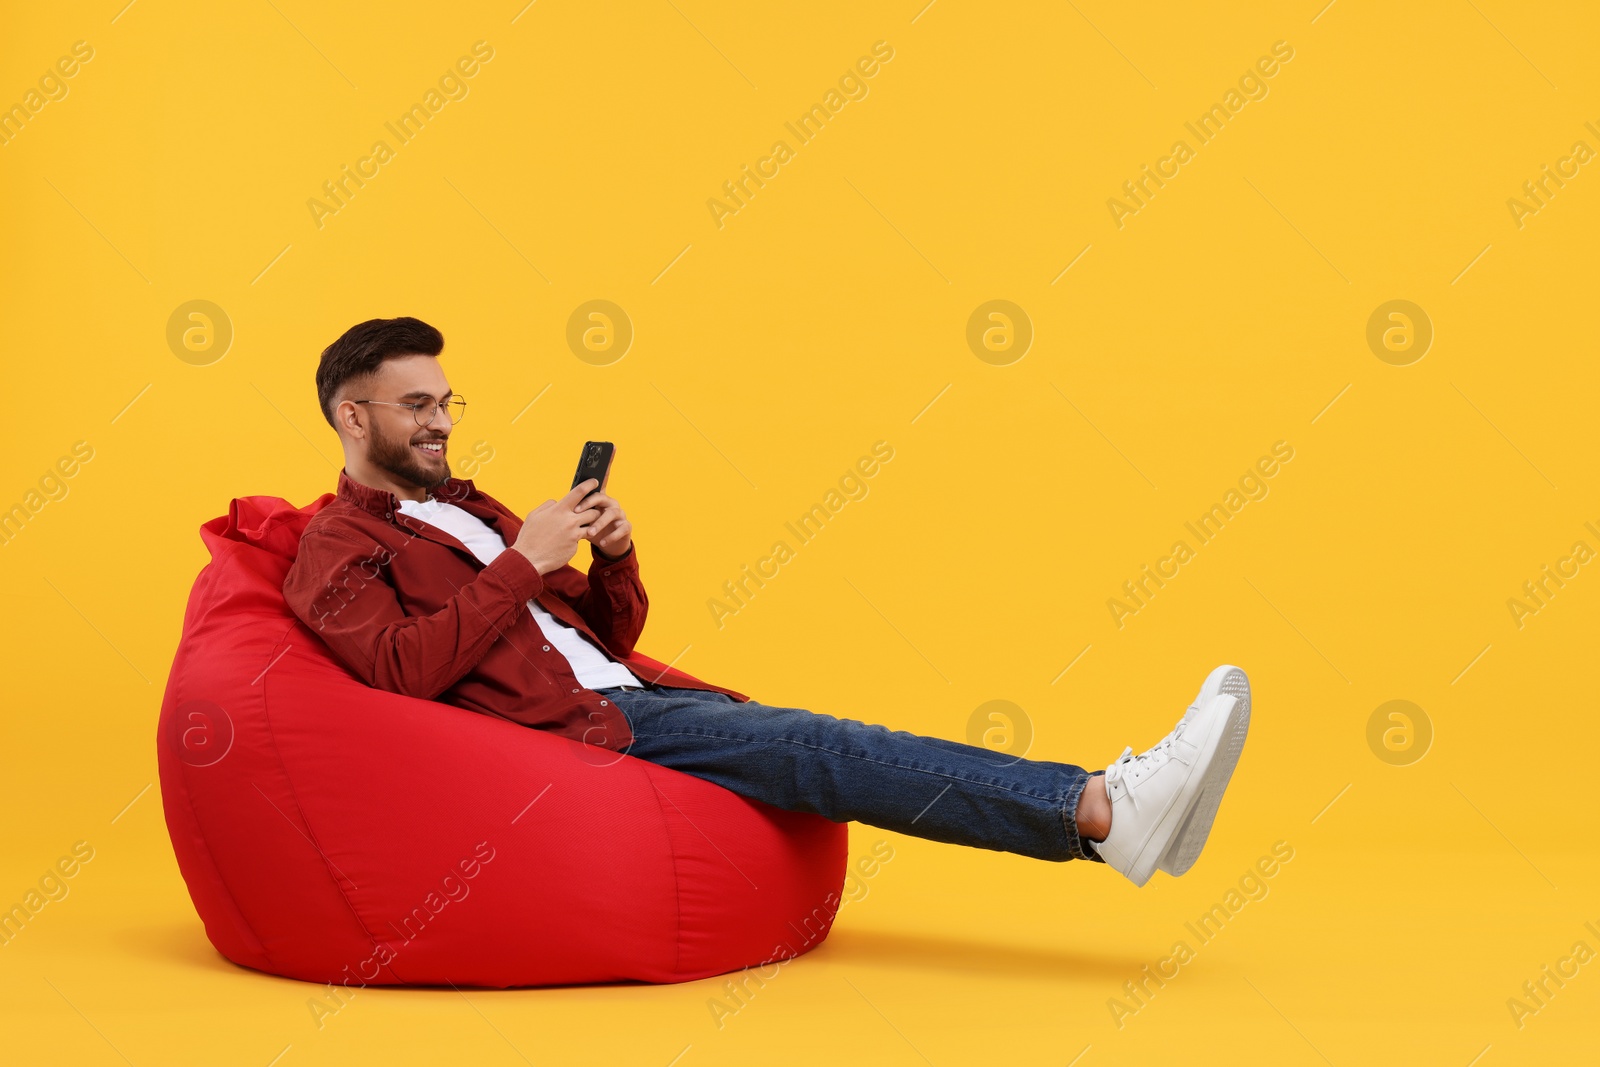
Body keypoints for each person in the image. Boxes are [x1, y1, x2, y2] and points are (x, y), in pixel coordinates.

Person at [282, 317, 1251, 888]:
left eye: (448, 401)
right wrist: (523, 564)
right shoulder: (335, 543)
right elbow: (401, 672)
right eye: (417, 405)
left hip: (626, 691)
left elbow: (600, 635)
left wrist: (609, 559)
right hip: (582, 728)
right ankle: (1101, 804)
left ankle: (1110, 818)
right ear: (352, 414)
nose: (443, 420)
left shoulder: (467, 509)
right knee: (813, 748)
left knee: (827, 739)